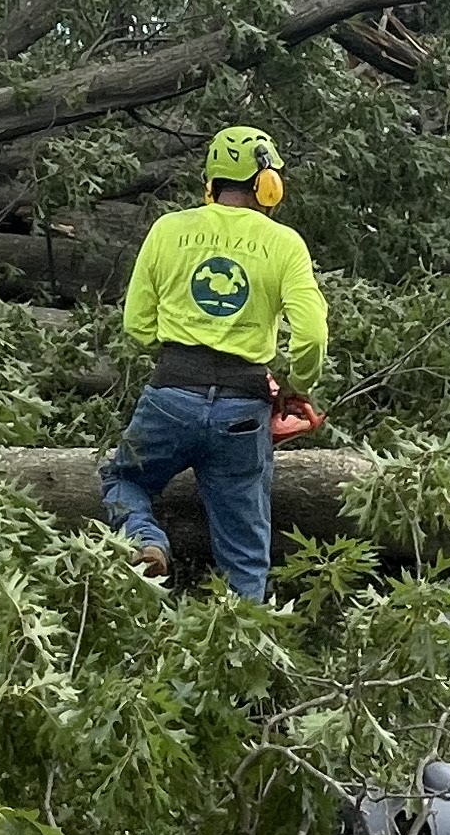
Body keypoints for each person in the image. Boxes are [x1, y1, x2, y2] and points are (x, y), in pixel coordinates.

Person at [103, 123, 329, 602]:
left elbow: (137, 326)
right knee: (245, 550)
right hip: (243, 410)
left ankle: (144, 539)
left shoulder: (169, 229)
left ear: (211, 181)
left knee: (124, 479)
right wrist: (297, 385)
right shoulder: (284, 242)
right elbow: (311, 334)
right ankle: (245, 634)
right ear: (267, 182)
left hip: (170, 395)